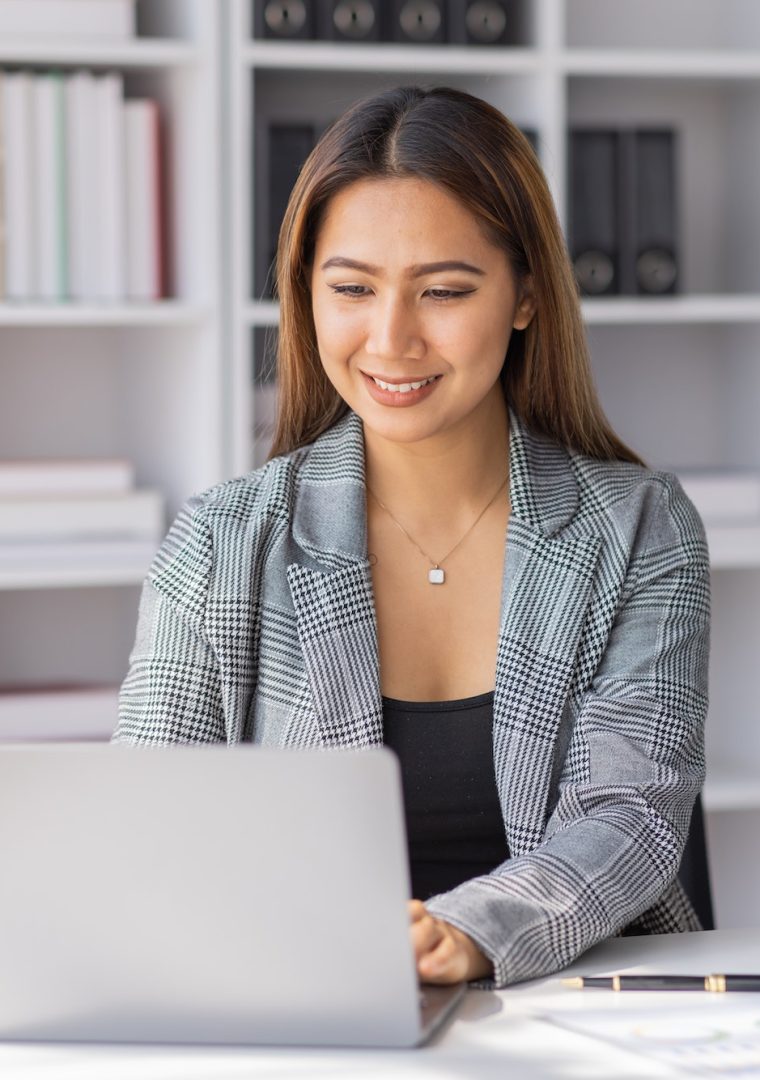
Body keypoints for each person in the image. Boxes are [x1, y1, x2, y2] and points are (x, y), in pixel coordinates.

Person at [113, 85, 711, 990]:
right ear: (305, 294)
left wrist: (471, 933)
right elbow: (146, 825)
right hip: (303, 1008)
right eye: (351, 288)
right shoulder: (221, 543)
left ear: (525, 297)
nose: (391, 339)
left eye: (442, 291)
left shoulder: (638, 528)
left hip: (581, 1007)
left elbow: (630, 816)